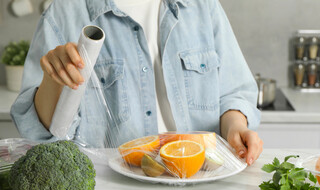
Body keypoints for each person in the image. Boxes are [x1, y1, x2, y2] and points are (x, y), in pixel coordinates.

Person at [11, 0, 263, 165]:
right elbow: (39, 133)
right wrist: (53, 80)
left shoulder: (202, 6)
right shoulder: (64, 12)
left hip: (202, 182)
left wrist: (234, 127)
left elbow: (233, 91)